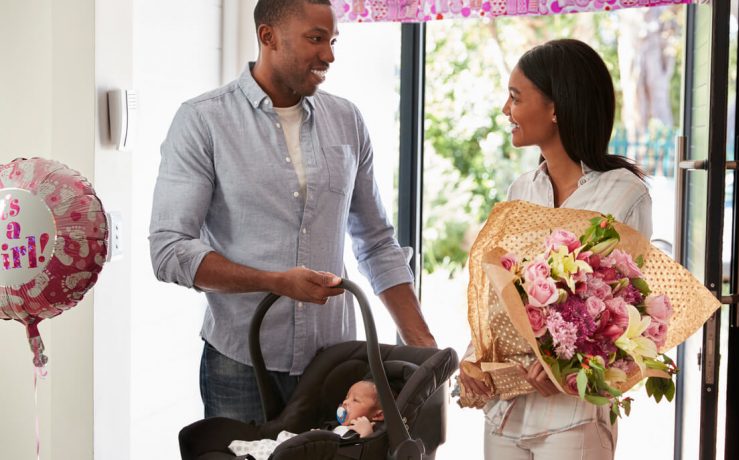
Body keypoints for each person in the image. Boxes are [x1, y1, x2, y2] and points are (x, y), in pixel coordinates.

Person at [149, 0, 436, 424]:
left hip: (335, 369)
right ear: (268, 37)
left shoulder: (348, 121)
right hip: (240, 365)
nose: (330, 55)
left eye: (333, 40)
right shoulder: (202, 121)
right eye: (316, 39)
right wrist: (274, 282)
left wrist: (424, 347)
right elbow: (169, 250)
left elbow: (376, 243)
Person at [459, 39, 652, 459]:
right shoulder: (521, 190)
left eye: (516, 97)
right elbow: (500, 294)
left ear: (555, 107)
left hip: (573, 416)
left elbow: (634, 310)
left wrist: (565, 367)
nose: (506, 110)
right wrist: (474, 358)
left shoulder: (623, 196)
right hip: (507, 410)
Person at [228, 380, 386, 459]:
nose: (345, 402)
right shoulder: (337, 426)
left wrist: (367, 433)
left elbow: (366, 451)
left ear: (378, 415)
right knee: (272, 443)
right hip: (308, 448)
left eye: (355, 400)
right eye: (346, 397)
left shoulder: (366, 429)